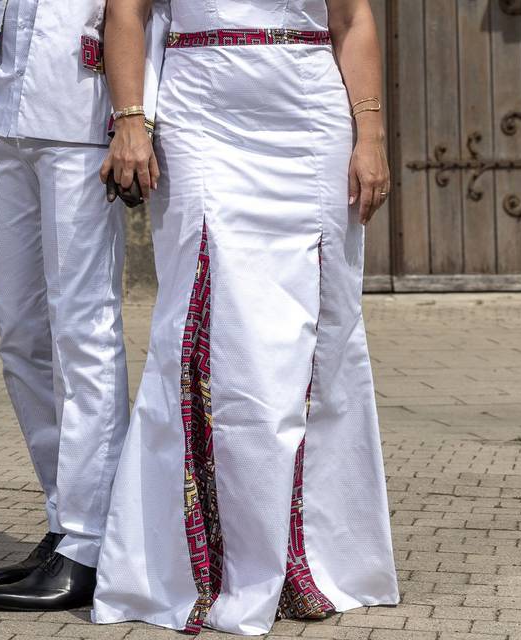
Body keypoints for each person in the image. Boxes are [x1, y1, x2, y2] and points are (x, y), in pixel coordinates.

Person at [92, 0, 401, 634]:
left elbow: (353, 19)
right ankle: (199, 569)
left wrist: (370, 136)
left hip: (312, 113)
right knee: (209, 331)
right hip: (202, 107)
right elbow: (125, 11)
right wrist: (129, 120)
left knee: (323, 333)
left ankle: (313, 561)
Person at [0, 0, 130, 610]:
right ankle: (63, 519)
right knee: (20, 333)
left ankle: (91, 542)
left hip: (80, 111)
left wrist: (137, 117)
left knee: (83, 329)